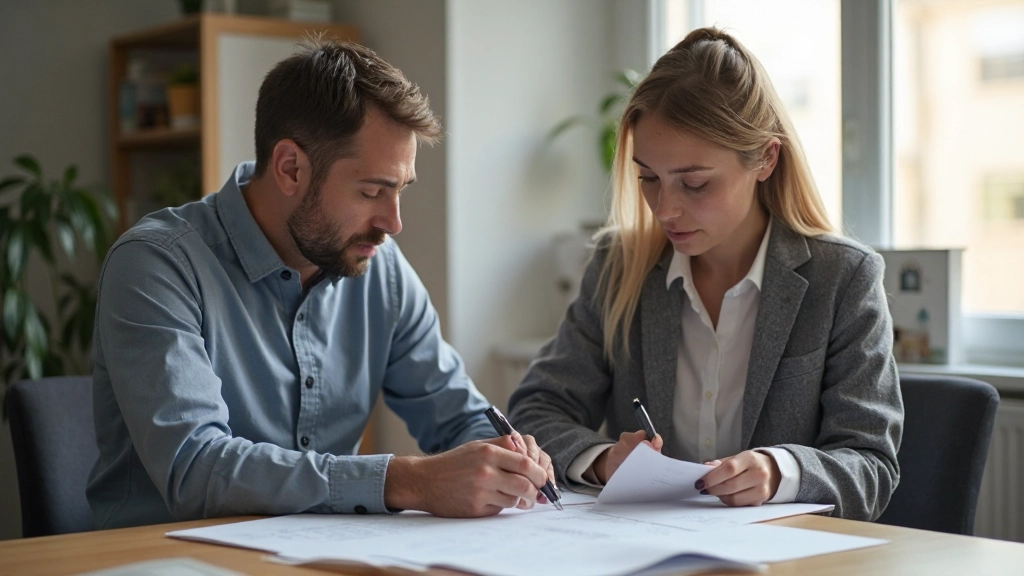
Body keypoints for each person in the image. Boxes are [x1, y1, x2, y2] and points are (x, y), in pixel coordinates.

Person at [87, 39, 554, 529]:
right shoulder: (156, 265)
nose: (394, 223)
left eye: (400, 191)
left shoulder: (381, 269)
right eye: (372, 191)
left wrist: (510, 456)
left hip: (320, 554)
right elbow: (196, 468)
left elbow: (457, 416)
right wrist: (408, 480)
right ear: (290, 168)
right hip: (163, 556)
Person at [508, 27, 903, 521]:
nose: (666, 209)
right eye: (649, 178)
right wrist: (606, 460)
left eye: (694, 184)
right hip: (644, 551)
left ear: (765, 158)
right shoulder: (618, 267)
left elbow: (871, 463)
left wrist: (780, 471)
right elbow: (536, 410)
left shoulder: (843, 278)